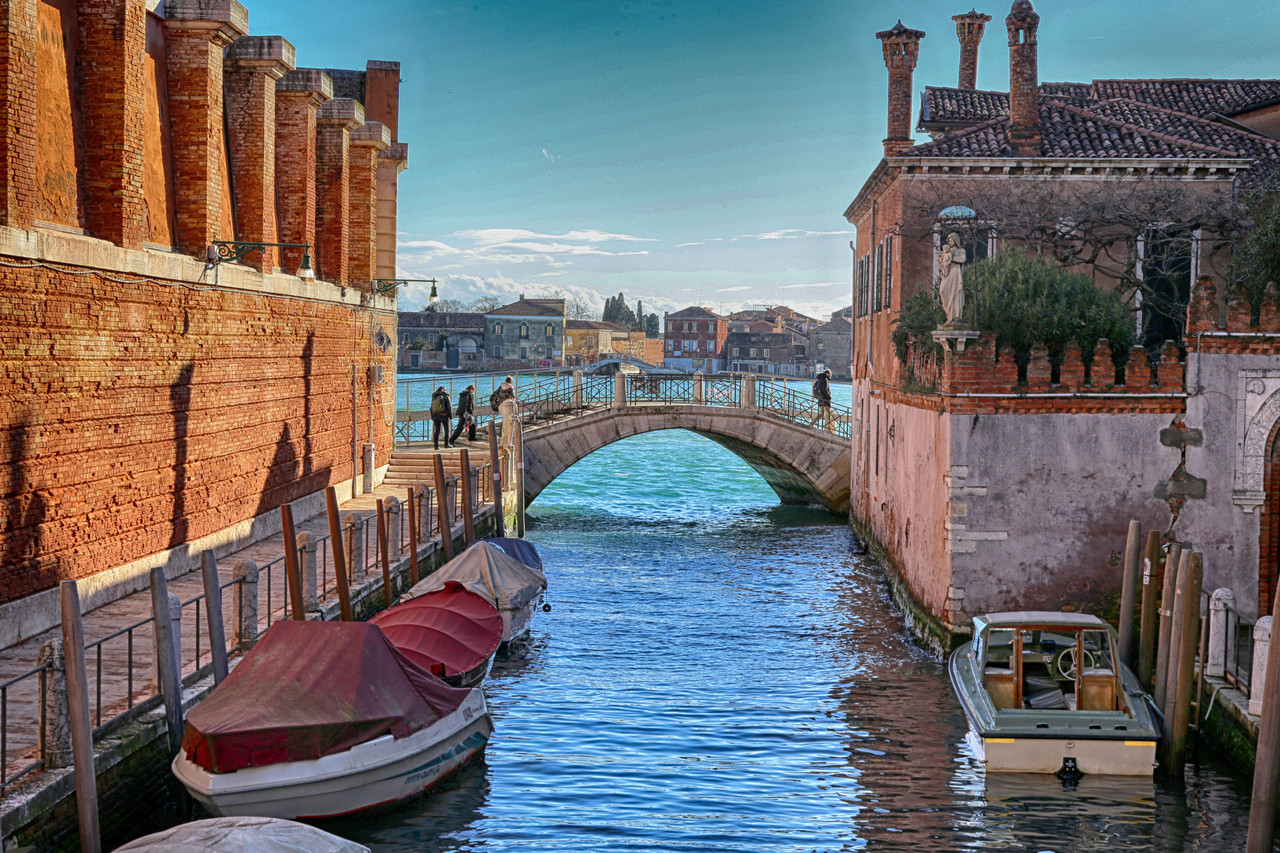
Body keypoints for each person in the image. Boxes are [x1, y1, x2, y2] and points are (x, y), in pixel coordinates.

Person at [939, 232, 967, 325]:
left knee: (956, 293)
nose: (949, 242)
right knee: (942, 291)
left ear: (955, 240)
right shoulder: (947, 251)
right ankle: (949, 316)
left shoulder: (961, 250)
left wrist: (950, 258)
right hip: (947, 273)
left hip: (955, 272)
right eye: (949, 240)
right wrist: (943, 257)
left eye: (951, 240)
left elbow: (962, 259)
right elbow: (941, 261)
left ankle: (956, 317)